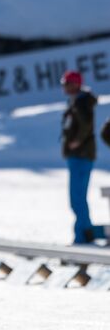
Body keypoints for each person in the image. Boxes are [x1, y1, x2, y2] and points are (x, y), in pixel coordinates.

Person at [60, 70, 104, 244]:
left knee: (77, 198)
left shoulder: (82, 102)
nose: (64, 87)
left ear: (75, 84)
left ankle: (83, 236)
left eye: (67, 84)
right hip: (76, 156)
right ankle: (86, 233)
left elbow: (86, 125)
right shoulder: (75, 102)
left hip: (81, 156)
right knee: (76, 198)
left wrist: (76, 142)